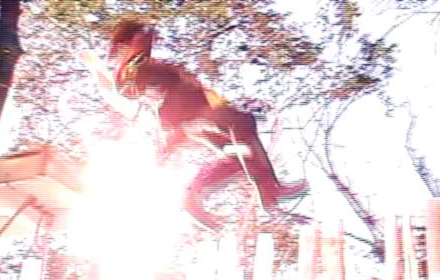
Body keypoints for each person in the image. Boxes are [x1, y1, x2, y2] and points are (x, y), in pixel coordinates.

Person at [79, 19, 309, 230]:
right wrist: (95, 67)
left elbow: (185, 88)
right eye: (143, 37)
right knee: (242, 123)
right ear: (127, 44)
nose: (149, 41)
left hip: (192, 114)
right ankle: (270, 190)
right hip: (185, 114)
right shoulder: (134, 69)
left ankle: (193, 195)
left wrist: (211, 104)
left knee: (239, 155)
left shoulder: (143, 65)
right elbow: (123, 93)